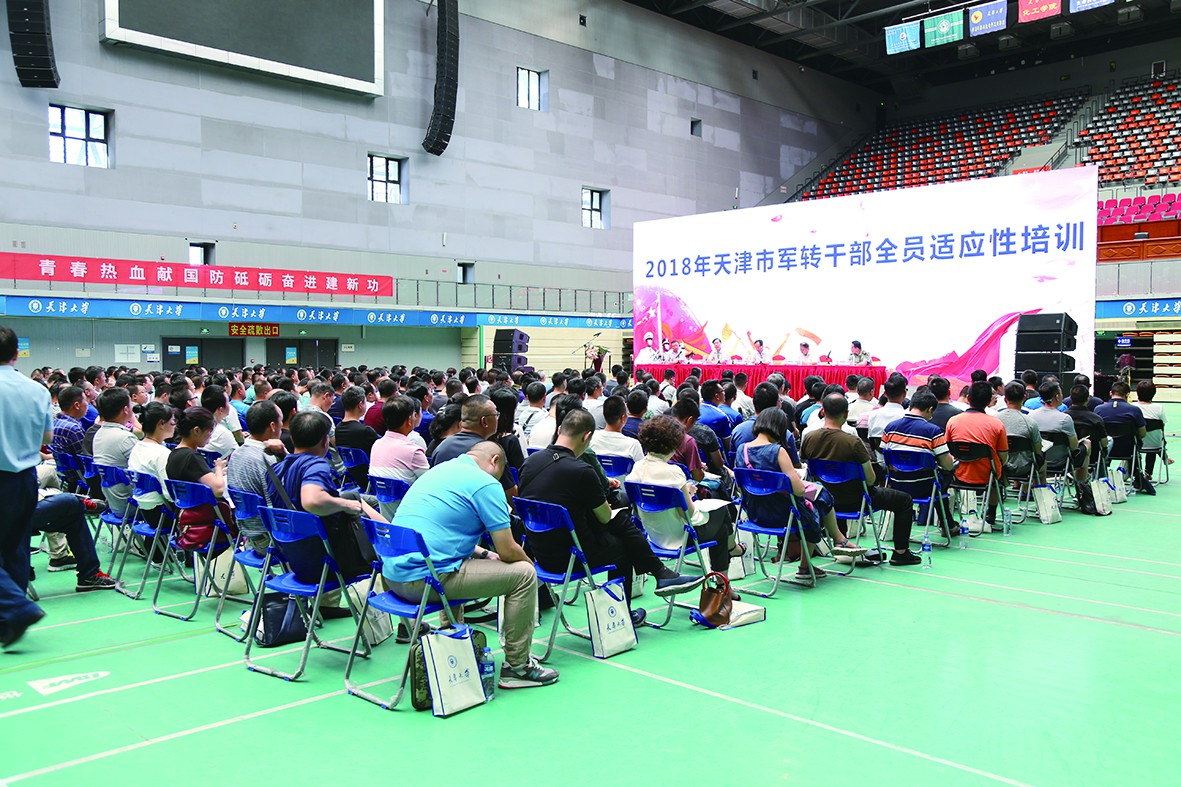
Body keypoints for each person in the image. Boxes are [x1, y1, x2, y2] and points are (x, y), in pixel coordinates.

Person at [384, 441, 557, 689]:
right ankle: (517, 667)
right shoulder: (486, 484)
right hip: (425, 582)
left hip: (392, 577)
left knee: (457, 561)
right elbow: (507, 549)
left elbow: (438, 533)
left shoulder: (439, 471)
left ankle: (452, 639)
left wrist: (484, 554)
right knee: (525, 575)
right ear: (495, 461)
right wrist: (529, 564)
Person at [519, 409, 706, 626]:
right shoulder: (581, 471)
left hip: (538, 552)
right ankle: (625, 613)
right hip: (572, 557)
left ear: (560, 430)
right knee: (621, 544)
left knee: (619, 522)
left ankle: (661, 573)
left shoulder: (529, 463)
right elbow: (605, 517)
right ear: (587, 436)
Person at [268, 410, 382, 619]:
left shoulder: (275, 469)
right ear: (325, 440)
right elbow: (311, 500)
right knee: (357, 504)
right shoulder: (316, 464)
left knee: (354, 497)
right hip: (328, 563)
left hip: (295, 560)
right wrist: (346, 505)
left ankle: (327, 604)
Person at [738, 408, 865, 580]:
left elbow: (742, 485)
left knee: (819, 496)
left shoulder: (742, 450)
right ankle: (818, 555)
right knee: (820, 500)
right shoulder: (777, 451)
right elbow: (799, 490)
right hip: (783, 516)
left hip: (755, 514)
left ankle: (837, 541)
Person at [800, 394, 921, 566]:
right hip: (856, 500)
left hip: (825, 501)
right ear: (846, 413)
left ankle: (839, 543)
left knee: (834, 489)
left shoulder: (809, 438)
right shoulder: (853, 442)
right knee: (904, 501)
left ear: (823, 411)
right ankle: (901, 552)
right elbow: (870, 479)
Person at [628, 416, 741, 583]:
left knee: (720, 527)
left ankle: (727, 573)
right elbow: (690, 514)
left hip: (652, 535)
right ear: (673, 443)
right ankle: (726, 572)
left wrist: (683, 493)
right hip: (679, 537)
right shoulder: (673, 472)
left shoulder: (636, 468)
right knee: (721, 517)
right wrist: (689, 494)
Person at [0, 326, 55, 647]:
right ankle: (11, 616)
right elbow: (47, 437)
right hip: (25, 477)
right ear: (16, 353)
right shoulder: (36, 390)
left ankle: (17, 609)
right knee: (16, 548)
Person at [880, 390, 956, 534]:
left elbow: (885, 456)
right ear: (930, 409)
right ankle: (948, 525)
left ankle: (949, 525)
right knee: (943, 479)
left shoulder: (890, 428)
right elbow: (947, 465)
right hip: (923, 487)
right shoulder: (933, 431)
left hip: (896, 484)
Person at [226, 401, 288, 555]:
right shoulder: (267, 460)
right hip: (272, 540)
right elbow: (279, 507)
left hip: (250, 537)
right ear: (272, 426)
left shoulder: (236, 454)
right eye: (281, 421)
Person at [432, 395, 519, 503]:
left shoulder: (442, 446)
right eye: (496, 415)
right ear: (484, 421)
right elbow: (510, 495)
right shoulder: (491, 451)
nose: (498, 419)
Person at [945, 382, 1010, 525]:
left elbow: (947, 449)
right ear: (989, 401)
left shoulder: (953, 422)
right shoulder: (997, 424)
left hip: (958, 474)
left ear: (968, 398)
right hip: (987, 475)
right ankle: (991, 512)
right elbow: (1003, 455)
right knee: (999, 471)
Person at [1095, 381, 1151, 494]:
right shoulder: (1134, 410)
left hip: (1106, 449)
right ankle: (1137, 476)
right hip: (1128, 449)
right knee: (1136, 444)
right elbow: (1143, 433)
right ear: (1127, 394)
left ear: (1111, 393)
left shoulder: (1098, 409)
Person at [91, 387, 139, 519]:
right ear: (126, 409)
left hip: (113, 502)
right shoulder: (125, 438)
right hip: (130, 504)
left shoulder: (99, 434)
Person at [995, 381, 1046, 486]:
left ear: (1005, 399)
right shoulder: (1030, 422)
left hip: (999, 466)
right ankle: (1039, 490)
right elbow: (1037, 450)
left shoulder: (994, 420)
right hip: (1025, 467)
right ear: (1024, 397)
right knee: (1041, 458)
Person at [334, 386, 380, 489]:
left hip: (356, 479)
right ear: (360, 405)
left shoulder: (338, 429)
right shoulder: (365, 431)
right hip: (372, 482)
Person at [591, 395, 645, 465]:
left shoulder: (591, 438)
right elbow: (641, 468)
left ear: (604, 415)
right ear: (623, 418)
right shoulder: (633, 445)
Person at [1133, 381, 1167, 479]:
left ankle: (1135, 472)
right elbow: (1162, 424)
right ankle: (1148, 473)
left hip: (1135, 444)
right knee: (1152, 439)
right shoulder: (1159, 408)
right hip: (1155, 444)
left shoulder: (1132, 407)